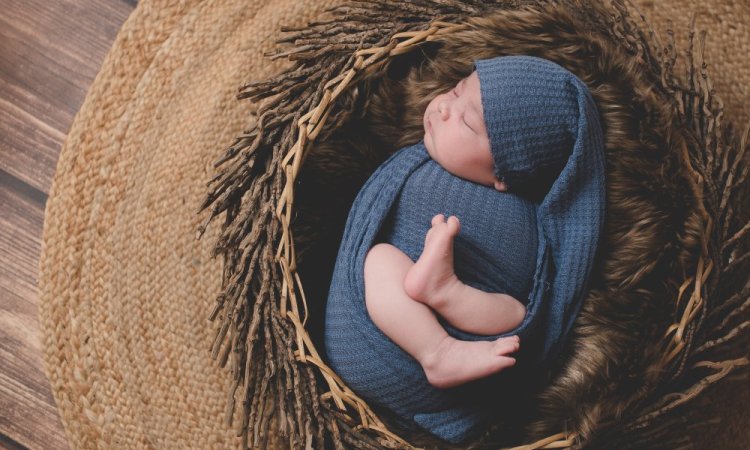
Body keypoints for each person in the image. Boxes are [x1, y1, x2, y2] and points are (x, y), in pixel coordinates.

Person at [363, 69, 526, 389]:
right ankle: (437, 350)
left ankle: (447, 293)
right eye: (454, 91)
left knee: (519, 313)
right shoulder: (411, 158)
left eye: (467, 123)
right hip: (393, 337)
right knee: (379, 260)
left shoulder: (527, 209)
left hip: (487, 340)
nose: (443, 107)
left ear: (504, 173)